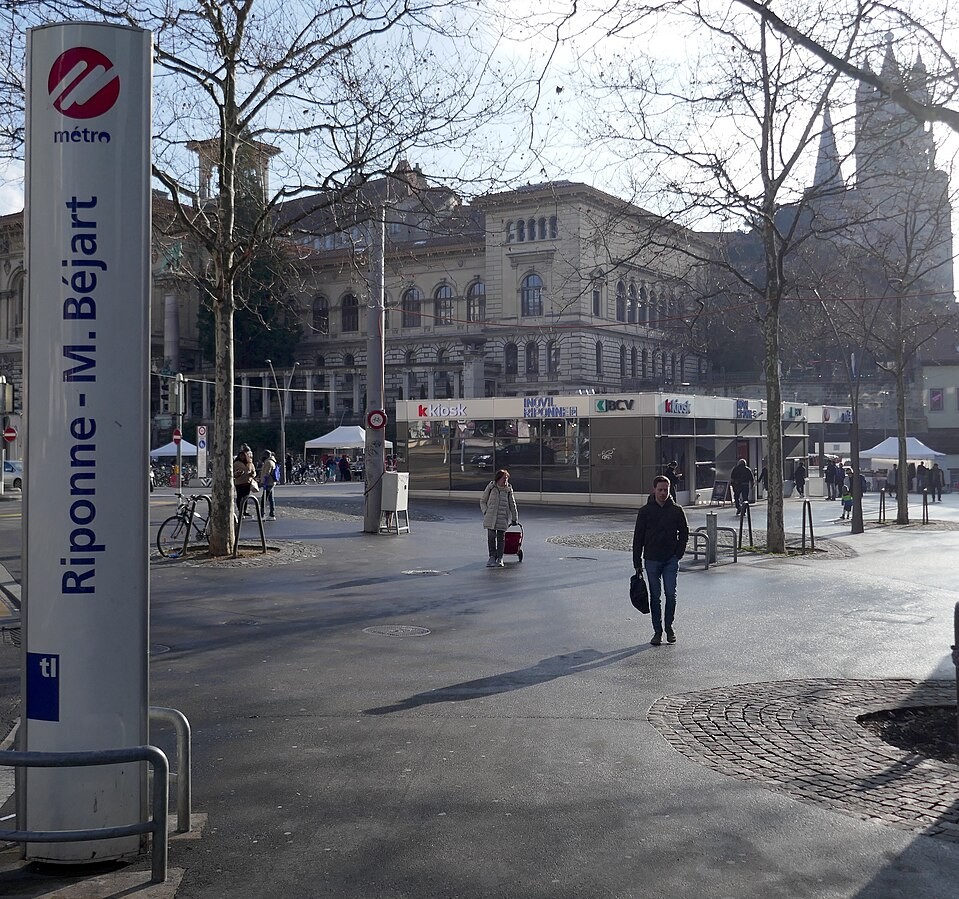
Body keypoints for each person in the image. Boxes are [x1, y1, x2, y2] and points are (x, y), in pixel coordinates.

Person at [632, 475, 689, 646]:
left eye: (666, 490)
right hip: (651, 560)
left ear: (670, 489)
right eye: (660, 490)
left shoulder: (677, 510)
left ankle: (669, 627)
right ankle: (657, 631)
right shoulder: (645, 512)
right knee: (655, 596)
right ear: (654, 490)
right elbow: (638, 538)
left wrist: (678, 553)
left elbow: (684, 533)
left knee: (670, 594)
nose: (663, 493)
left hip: (670, 559)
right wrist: (637, 564)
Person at [480, 469, 518, 568]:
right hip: (491, 517)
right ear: (498, 478)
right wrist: (485, 511)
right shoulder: (491, 487)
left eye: (507, 479)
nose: (505, 481)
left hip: (502, 518)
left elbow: (512, 505)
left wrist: (514, 518)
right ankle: (492, 556)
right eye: (504, 478)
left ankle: (500, 558)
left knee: (501, 539)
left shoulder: (508, 490)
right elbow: (483, 501)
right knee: (491, 537)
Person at [233, 445, 257, 516]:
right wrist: (237, 474)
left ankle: (244, 511)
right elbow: (232, 473)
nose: (242, 457)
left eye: (243, 456)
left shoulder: (250, 463)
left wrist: (252, 474)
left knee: (246, 497)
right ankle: (240, 510)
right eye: (240, 456)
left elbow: (254, 472)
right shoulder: (236, 463)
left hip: (247, 482)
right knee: (239, 497)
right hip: (239, 483)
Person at [259, 450, 279, 520]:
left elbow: (266, 473)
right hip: (271, 482)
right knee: (271, 499)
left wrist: (263, 482)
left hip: (268, 483)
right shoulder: (273, 461)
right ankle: (272, 514)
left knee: (263, 499)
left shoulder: (268, 462)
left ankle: (262, 515)